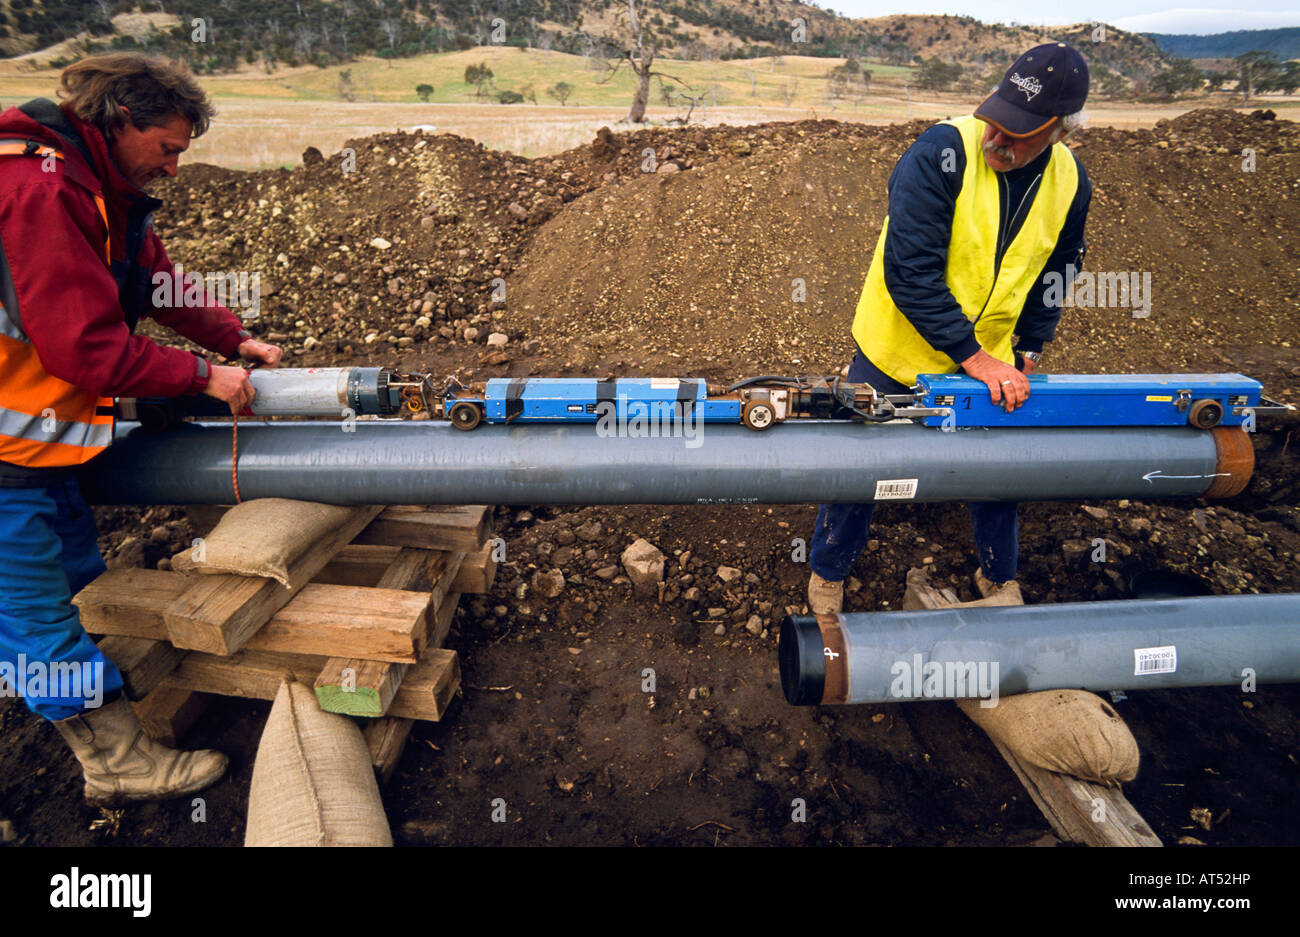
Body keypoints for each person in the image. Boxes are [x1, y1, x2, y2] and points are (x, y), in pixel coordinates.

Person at [0, 53, 282, 804]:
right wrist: (198, 377)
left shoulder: (96, 186)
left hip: (33, 443)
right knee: (32, 616)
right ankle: (114, 765)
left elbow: (152, 278)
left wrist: (230, 337)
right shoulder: (40, 189)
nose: (175, 169)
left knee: (76, 582)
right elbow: (83, 345)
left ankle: (104, 709)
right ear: (119, 122)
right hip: (3, 458)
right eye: (168, 149)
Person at [807, 42, 1093, 614]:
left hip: (990, 351)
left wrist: (1031, 344)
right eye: (994, 121)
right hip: (897, 347)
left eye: (1018, 133)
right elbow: (909, 271)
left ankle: (998, 577)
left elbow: (1058, 269)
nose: (996, 140)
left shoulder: (1071, 183)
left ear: (1060, 129)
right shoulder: (941, 153)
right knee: (860, 463)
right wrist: (974, 356)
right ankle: (828, 571)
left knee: (997, 471)